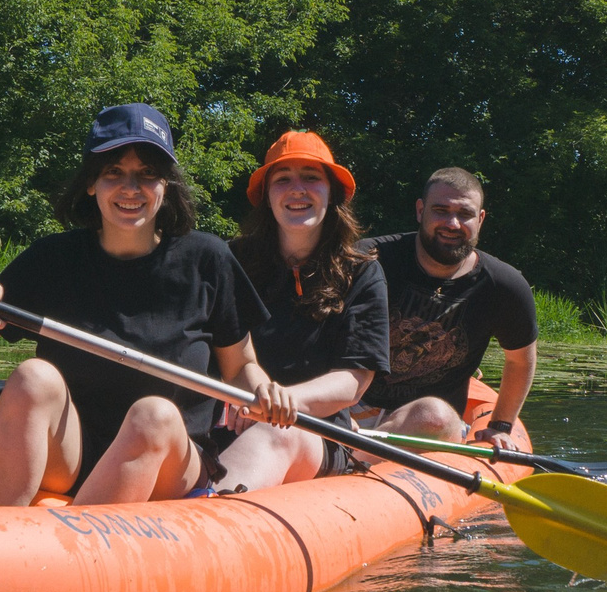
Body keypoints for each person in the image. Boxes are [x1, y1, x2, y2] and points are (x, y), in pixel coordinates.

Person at [0, 104, 290, 504]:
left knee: (152, 415)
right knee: (33, 376)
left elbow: (241, 367)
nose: (131, 188)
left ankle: (77, 550)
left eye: (147, 175)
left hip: (169, 460)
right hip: (72, 454)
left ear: (166, 185)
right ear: (91, 184)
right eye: (113, 173)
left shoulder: (207, 258)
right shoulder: (53, 258)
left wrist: (265, 391)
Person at [212, 130, 392, 492]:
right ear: (267, 196)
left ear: (331, 193)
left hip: (316, 432)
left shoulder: (362, 271)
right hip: (229, 422)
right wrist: (249, 399)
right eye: (283, 179)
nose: (297, 189)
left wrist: (275, 403)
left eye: (311, 178)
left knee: (278, 434)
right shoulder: (231, 260)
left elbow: (354, 382)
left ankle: (207, 519)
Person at [360, 166, 538, 445]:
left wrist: (501, 425)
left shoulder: (504, 286)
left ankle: (352, 462)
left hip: (433, 423)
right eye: (440, 210)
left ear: (480, 219)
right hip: (353, 407)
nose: (452, 224)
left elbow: (520, 360)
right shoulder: (367, 260)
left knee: (433, 415)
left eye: (464, 214)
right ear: (421, 211)